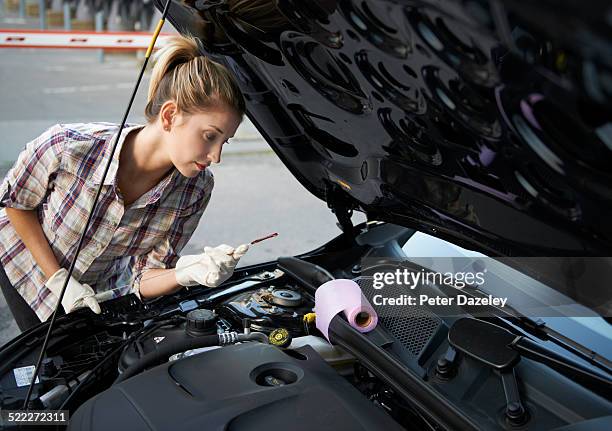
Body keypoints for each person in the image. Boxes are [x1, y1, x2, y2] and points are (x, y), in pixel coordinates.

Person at [0, 34, 249, 332]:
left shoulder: (195, 190)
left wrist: (186, 273)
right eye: (210, 136)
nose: (216, 156)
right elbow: (16, 204)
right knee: (39, 361)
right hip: (23, 266)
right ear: (170, 116)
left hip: (94, 291)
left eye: (225, 142)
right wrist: (58, 280)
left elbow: (146, 275)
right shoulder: (68, 145)